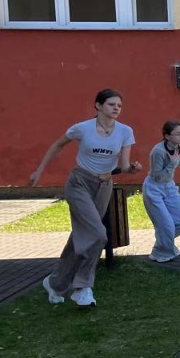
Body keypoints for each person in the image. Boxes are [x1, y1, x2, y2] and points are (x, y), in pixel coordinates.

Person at [28, 88, 142, 307]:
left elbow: (125, 165)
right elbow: (58, 145)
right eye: (111, 104)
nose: (116, 108)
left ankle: (55, 283)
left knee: (81, 236)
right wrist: (39, 171)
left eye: (119, 105)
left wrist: (132, 169)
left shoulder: (125, 131)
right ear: (98, 106)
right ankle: (82, 287)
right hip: (79, 183)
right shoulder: (82, 128)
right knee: (97, 234)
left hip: (104, 185)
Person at [143, 120, 180, 263]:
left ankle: (160, 247)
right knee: (166, 225)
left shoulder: (178, 145)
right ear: (167, 136)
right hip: (154, 188)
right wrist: (172, 163)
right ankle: (162, 253)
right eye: (178, 134)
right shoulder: (158, 151)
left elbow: (178, 159)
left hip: (169, 186)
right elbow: (157, 176)